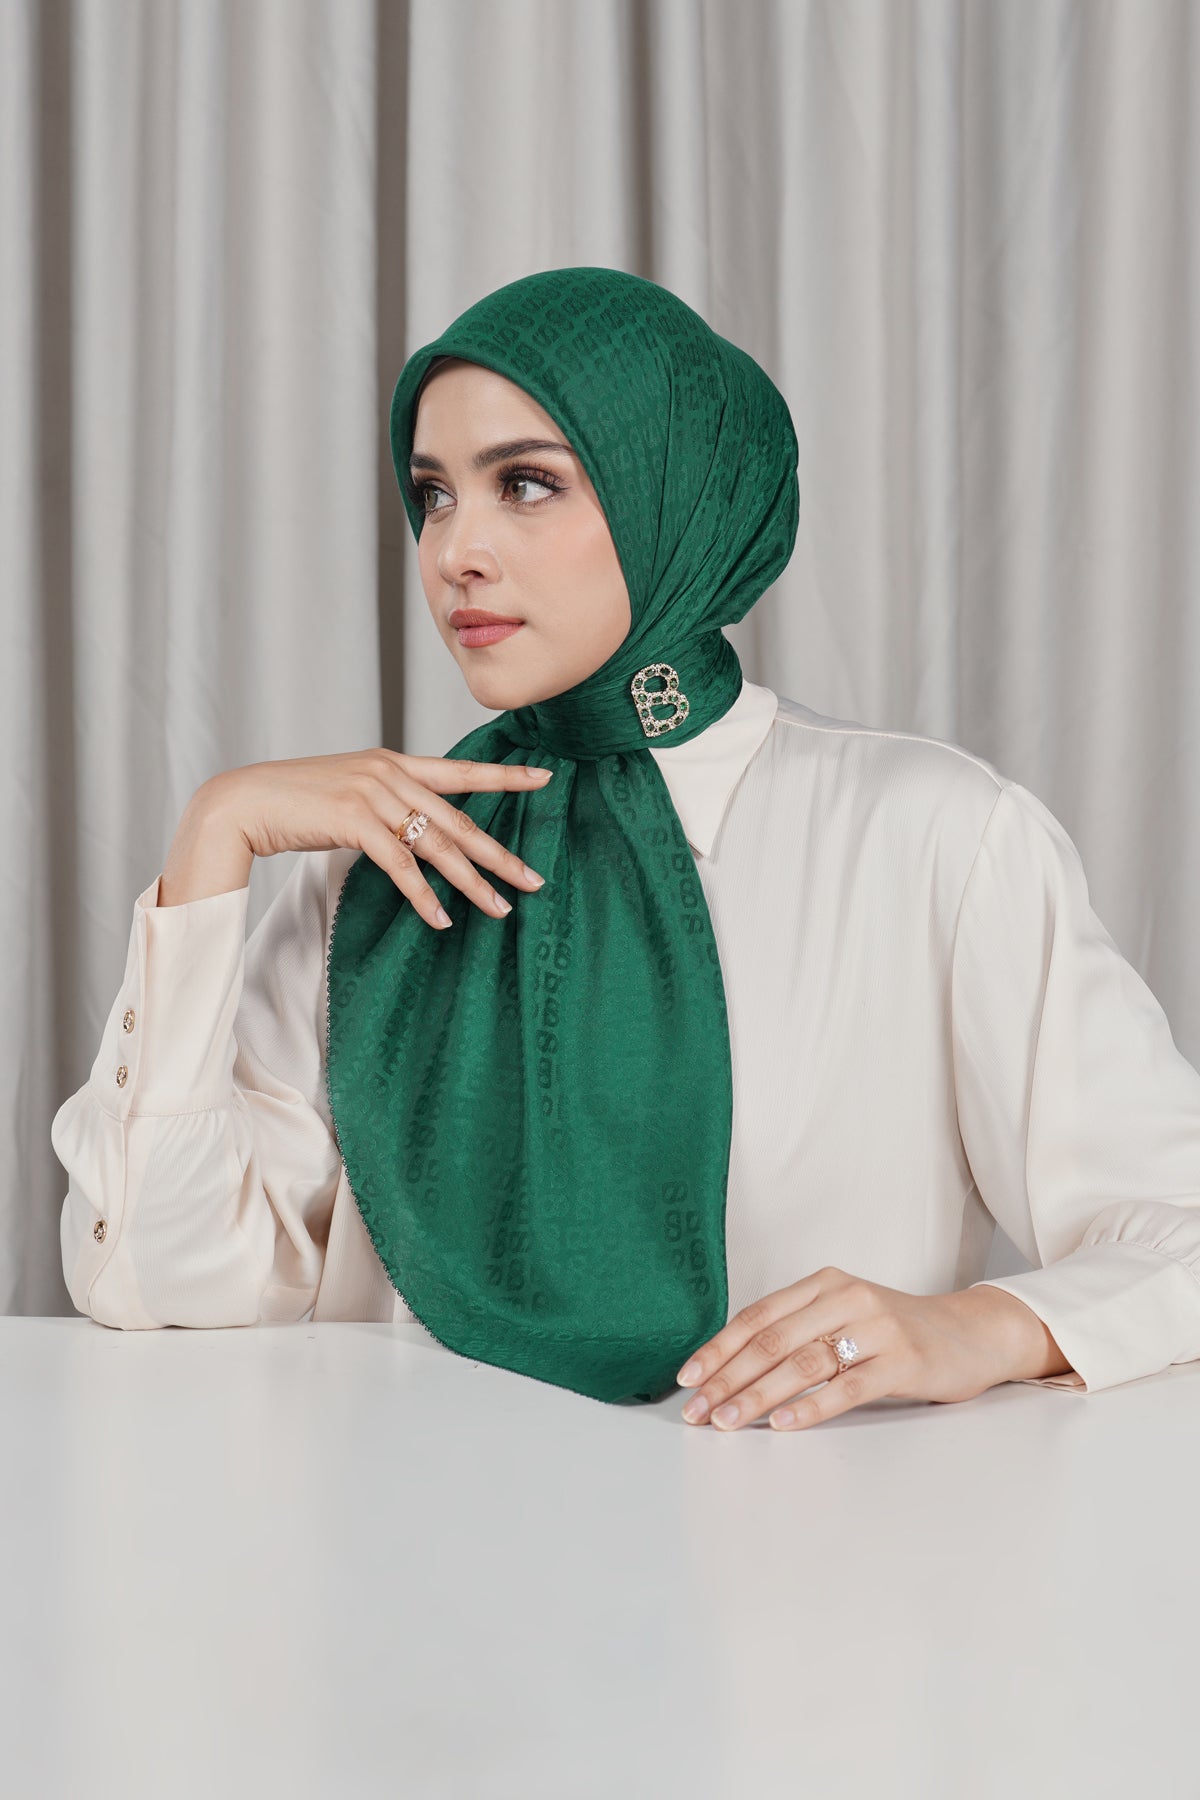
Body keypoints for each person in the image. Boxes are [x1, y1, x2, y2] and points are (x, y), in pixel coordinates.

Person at [52, 266, 1200, 1431]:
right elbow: (156, 1278)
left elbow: (1179, 1227)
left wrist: (985, 1327)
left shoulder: (930, 835)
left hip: (805, 1529)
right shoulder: (381, 862)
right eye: (434, 494)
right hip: (407, 1526)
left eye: (527, 483)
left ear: (674, 493)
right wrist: (216, 836)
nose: (455, 552)